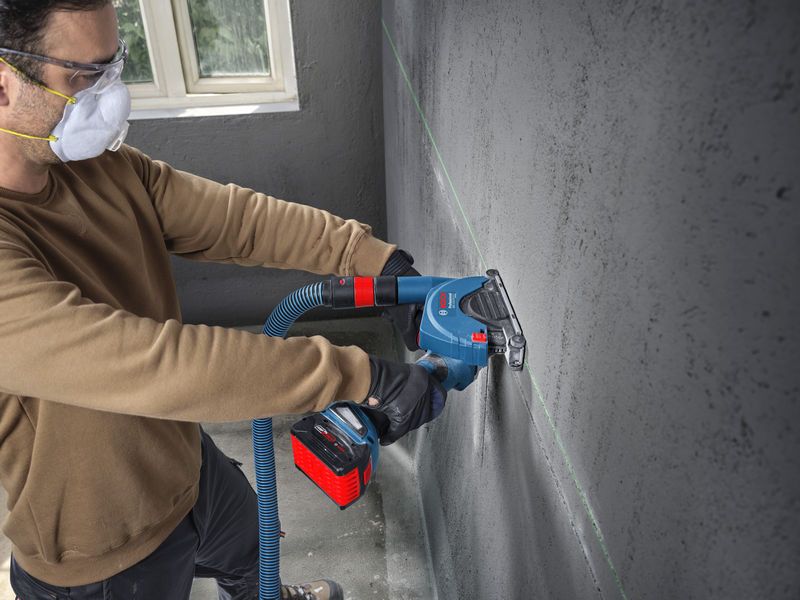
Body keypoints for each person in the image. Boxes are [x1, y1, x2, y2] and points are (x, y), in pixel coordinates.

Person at [0, 1, 445, 599]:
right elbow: (154, 362)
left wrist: (375, 264)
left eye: (113, 67)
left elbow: (235, 219)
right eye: (84, 77)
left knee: (252, 548)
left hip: (183, 460)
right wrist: (356, 375)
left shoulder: (96, 168)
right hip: (103, 552)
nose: (112, 96)